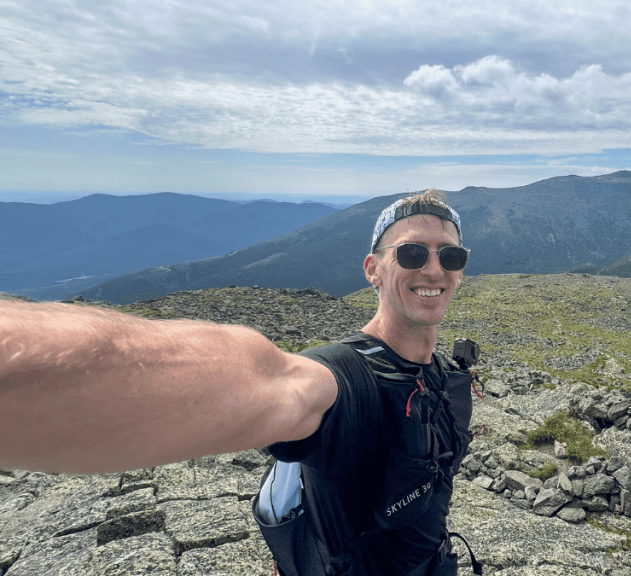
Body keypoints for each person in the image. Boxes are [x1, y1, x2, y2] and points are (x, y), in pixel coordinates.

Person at [0, 190, 477, 575]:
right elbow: (264, 379)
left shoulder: (441, 374)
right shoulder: (344, 378)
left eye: (450, 256)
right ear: (373, 269)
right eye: (412, 253)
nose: (433, 269)